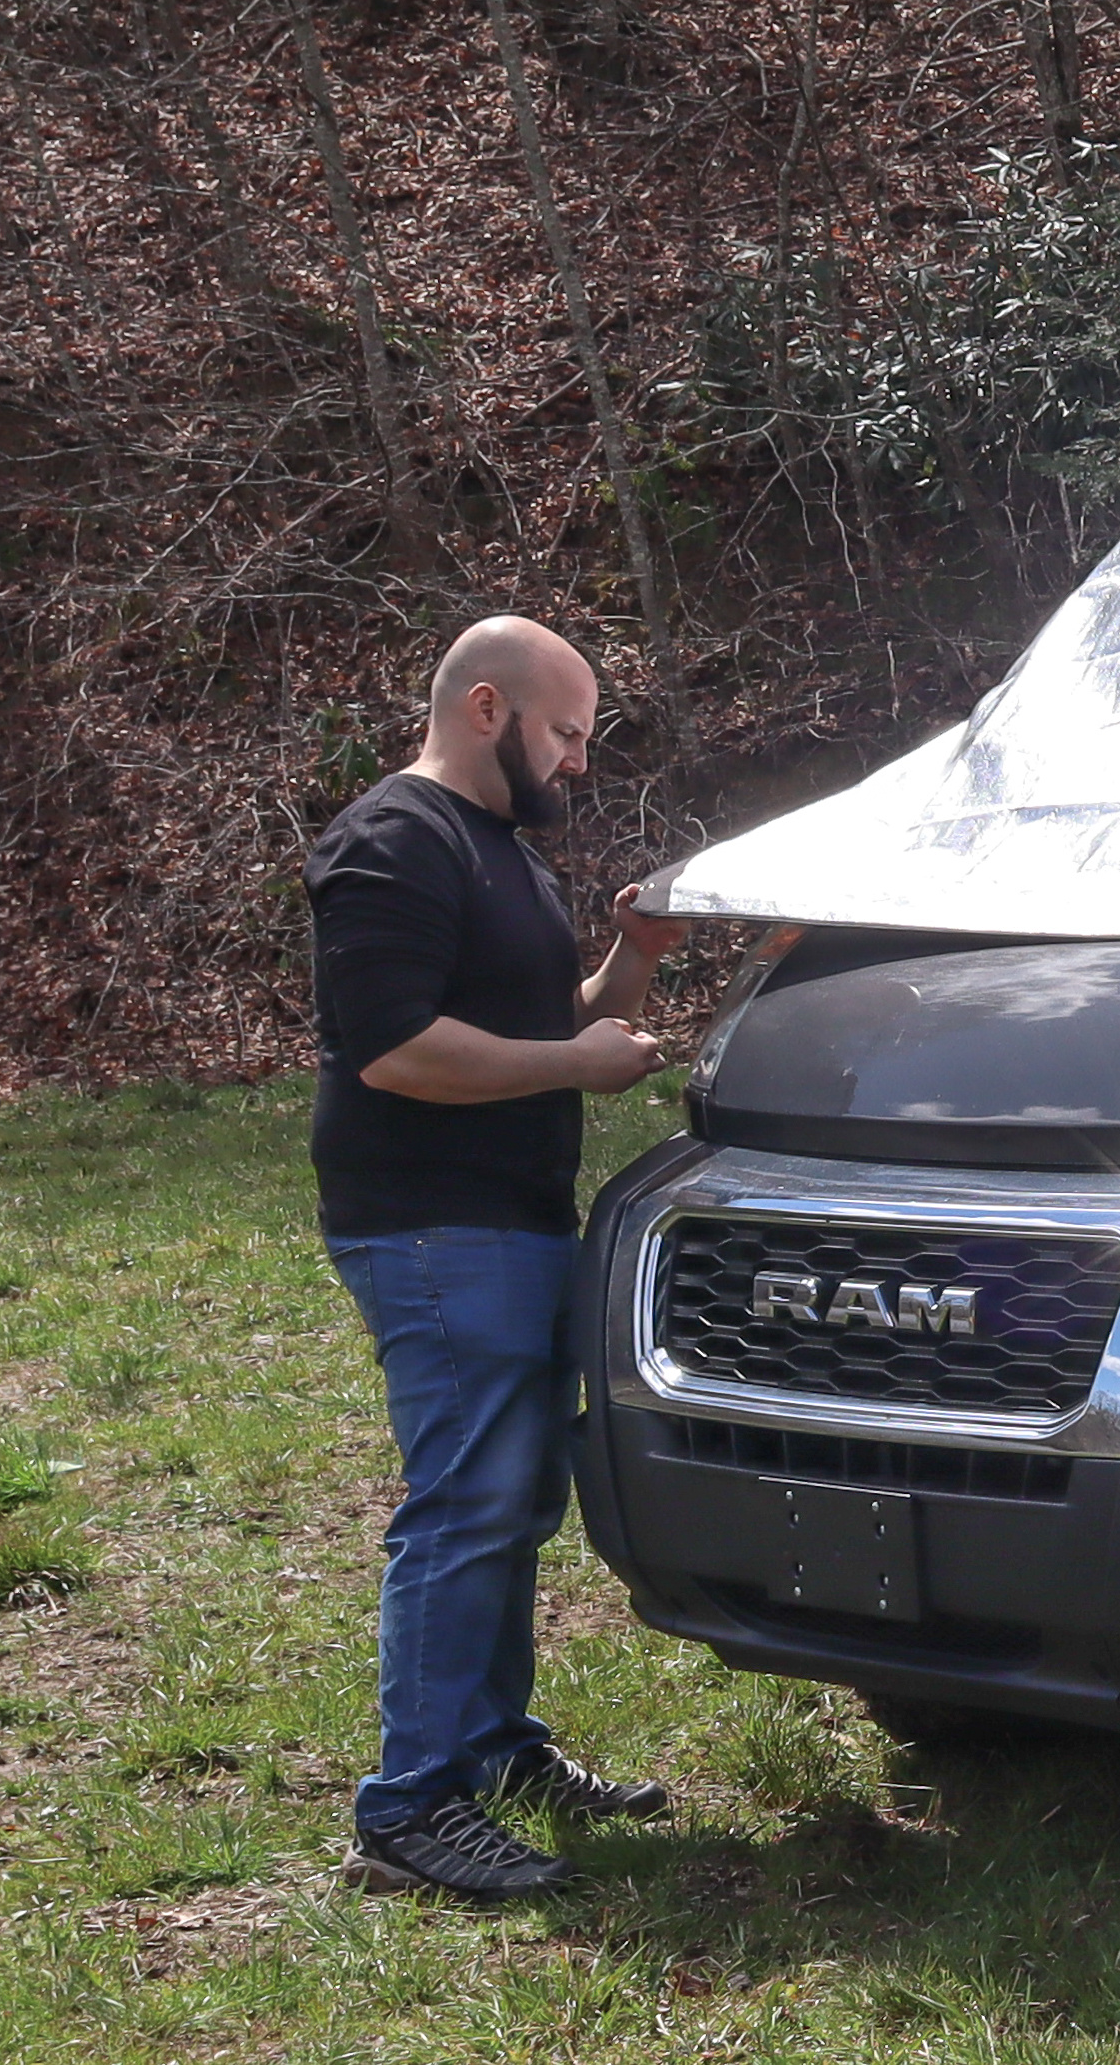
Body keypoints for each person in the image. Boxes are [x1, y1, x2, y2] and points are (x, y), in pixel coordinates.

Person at [305, 616, 686, 1900]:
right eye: (566, 732)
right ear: (486, 707)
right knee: (467, 1503)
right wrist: (578, 1064)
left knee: (514, 1500)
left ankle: (492, 1749)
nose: (578, 760)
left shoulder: (506, 854)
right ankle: (408, 1807)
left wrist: (631, 962)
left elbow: (548, 1028)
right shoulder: (391, 840)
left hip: (514, 1217)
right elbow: (398, 1049)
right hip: (428, 1223)